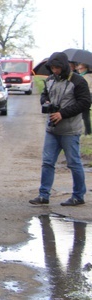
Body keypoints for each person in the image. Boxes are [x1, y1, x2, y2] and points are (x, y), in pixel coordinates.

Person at [30, 52, 91, 207]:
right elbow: (43, 95)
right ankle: (44, 195)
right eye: (52, 68)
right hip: (52, 130)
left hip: (70, 130)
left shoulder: (78, 81)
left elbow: (85, 103)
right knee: (48, 162)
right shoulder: (50, 80)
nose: (55, 70)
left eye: (57, 68)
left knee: (74, 163)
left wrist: (62, 113)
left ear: (64, 66)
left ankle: (78, 195)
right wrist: (46, 102)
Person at [76, 62, 92, 135]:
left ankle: (88, 131)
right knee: (84, 114)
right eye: (78, 68)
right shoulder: (81, 76)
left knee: (85, 114)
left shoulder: (87, 76)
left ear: (86, 68)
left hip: (88, 95)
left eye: (81, 68)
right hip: (85, 96)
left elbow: (86, 87)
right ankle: (87, 131)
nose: (79, 70)